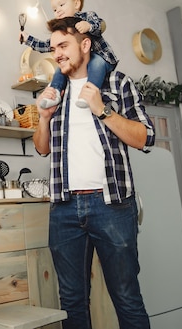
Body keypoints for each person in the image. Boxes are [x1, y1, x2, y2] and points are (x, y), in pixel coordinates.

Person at [33, 17, 155, 329]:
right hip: (63, 208)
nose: (57, 54)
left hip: (112, 205)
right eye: (53, 48)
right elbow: (42, 148)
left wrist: (102, 109)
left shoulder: (118, 83)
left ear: (85, 44)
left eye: (64, 45)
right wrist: (44, 119)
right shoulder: (53, 92)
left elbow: (145, 138)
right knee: (71, 300)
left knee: (126, 296)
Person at [20, 0, 118, 109]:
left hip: (101, 56)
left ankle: (89, 92)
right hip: (83, 63)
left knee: (96, 63)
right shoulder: (61, 31)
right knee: (59, 70)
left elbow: (100, 24)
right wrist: (28, 39)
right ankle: (55, 93)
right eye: (55, 9)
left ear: (76, 4)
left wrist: (89, 26)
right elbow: (45, 45)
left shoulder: (87, 17)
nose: (58, 11)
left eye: (61, 5)